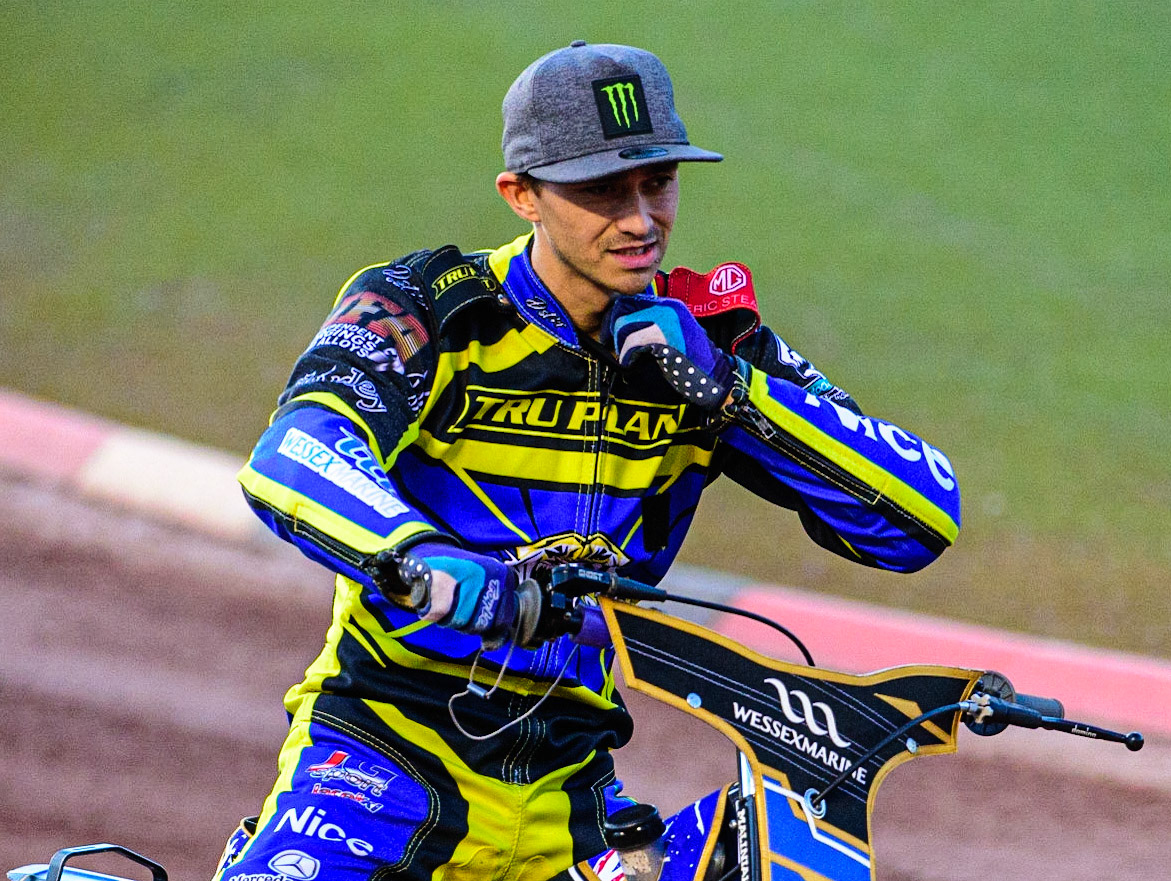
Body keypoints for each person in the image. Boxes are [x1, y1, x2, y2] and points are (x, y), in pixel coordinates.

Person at [216, 41, 960, 881]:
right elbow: (293, 451)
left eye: (658, 182)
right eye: (602, 191)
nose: (640, 219)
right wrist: (424, 560)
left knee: (786, 850)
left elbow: (922, 519)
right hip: (378, 762)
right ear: (521, 194)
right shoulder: (425, 303)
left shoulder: (710, 342)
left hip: (578, 789)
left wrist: (729, 391)